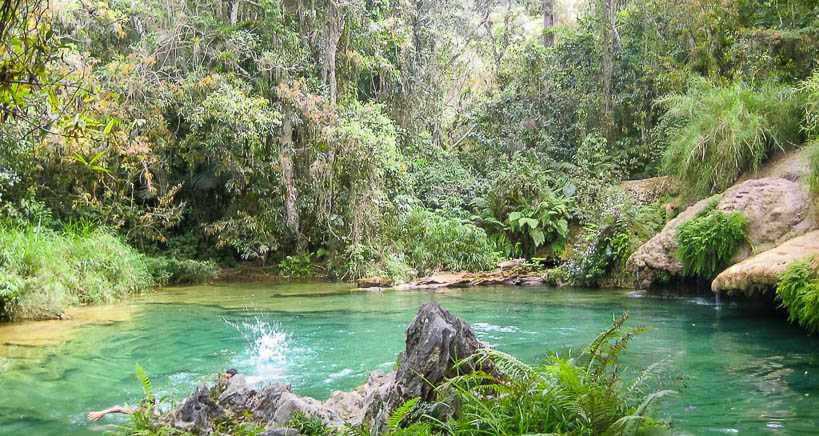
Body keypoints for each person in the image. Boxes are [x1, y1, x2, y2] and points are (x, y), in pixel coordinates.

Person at [87, 369, 239, 422]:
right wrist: (103, 412)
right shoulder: (146, 414)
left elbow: (119, 409)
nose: (143, 407)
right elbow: (119, 408)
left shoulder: (152, 414)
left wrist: (103, 412)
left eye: (145, 404)